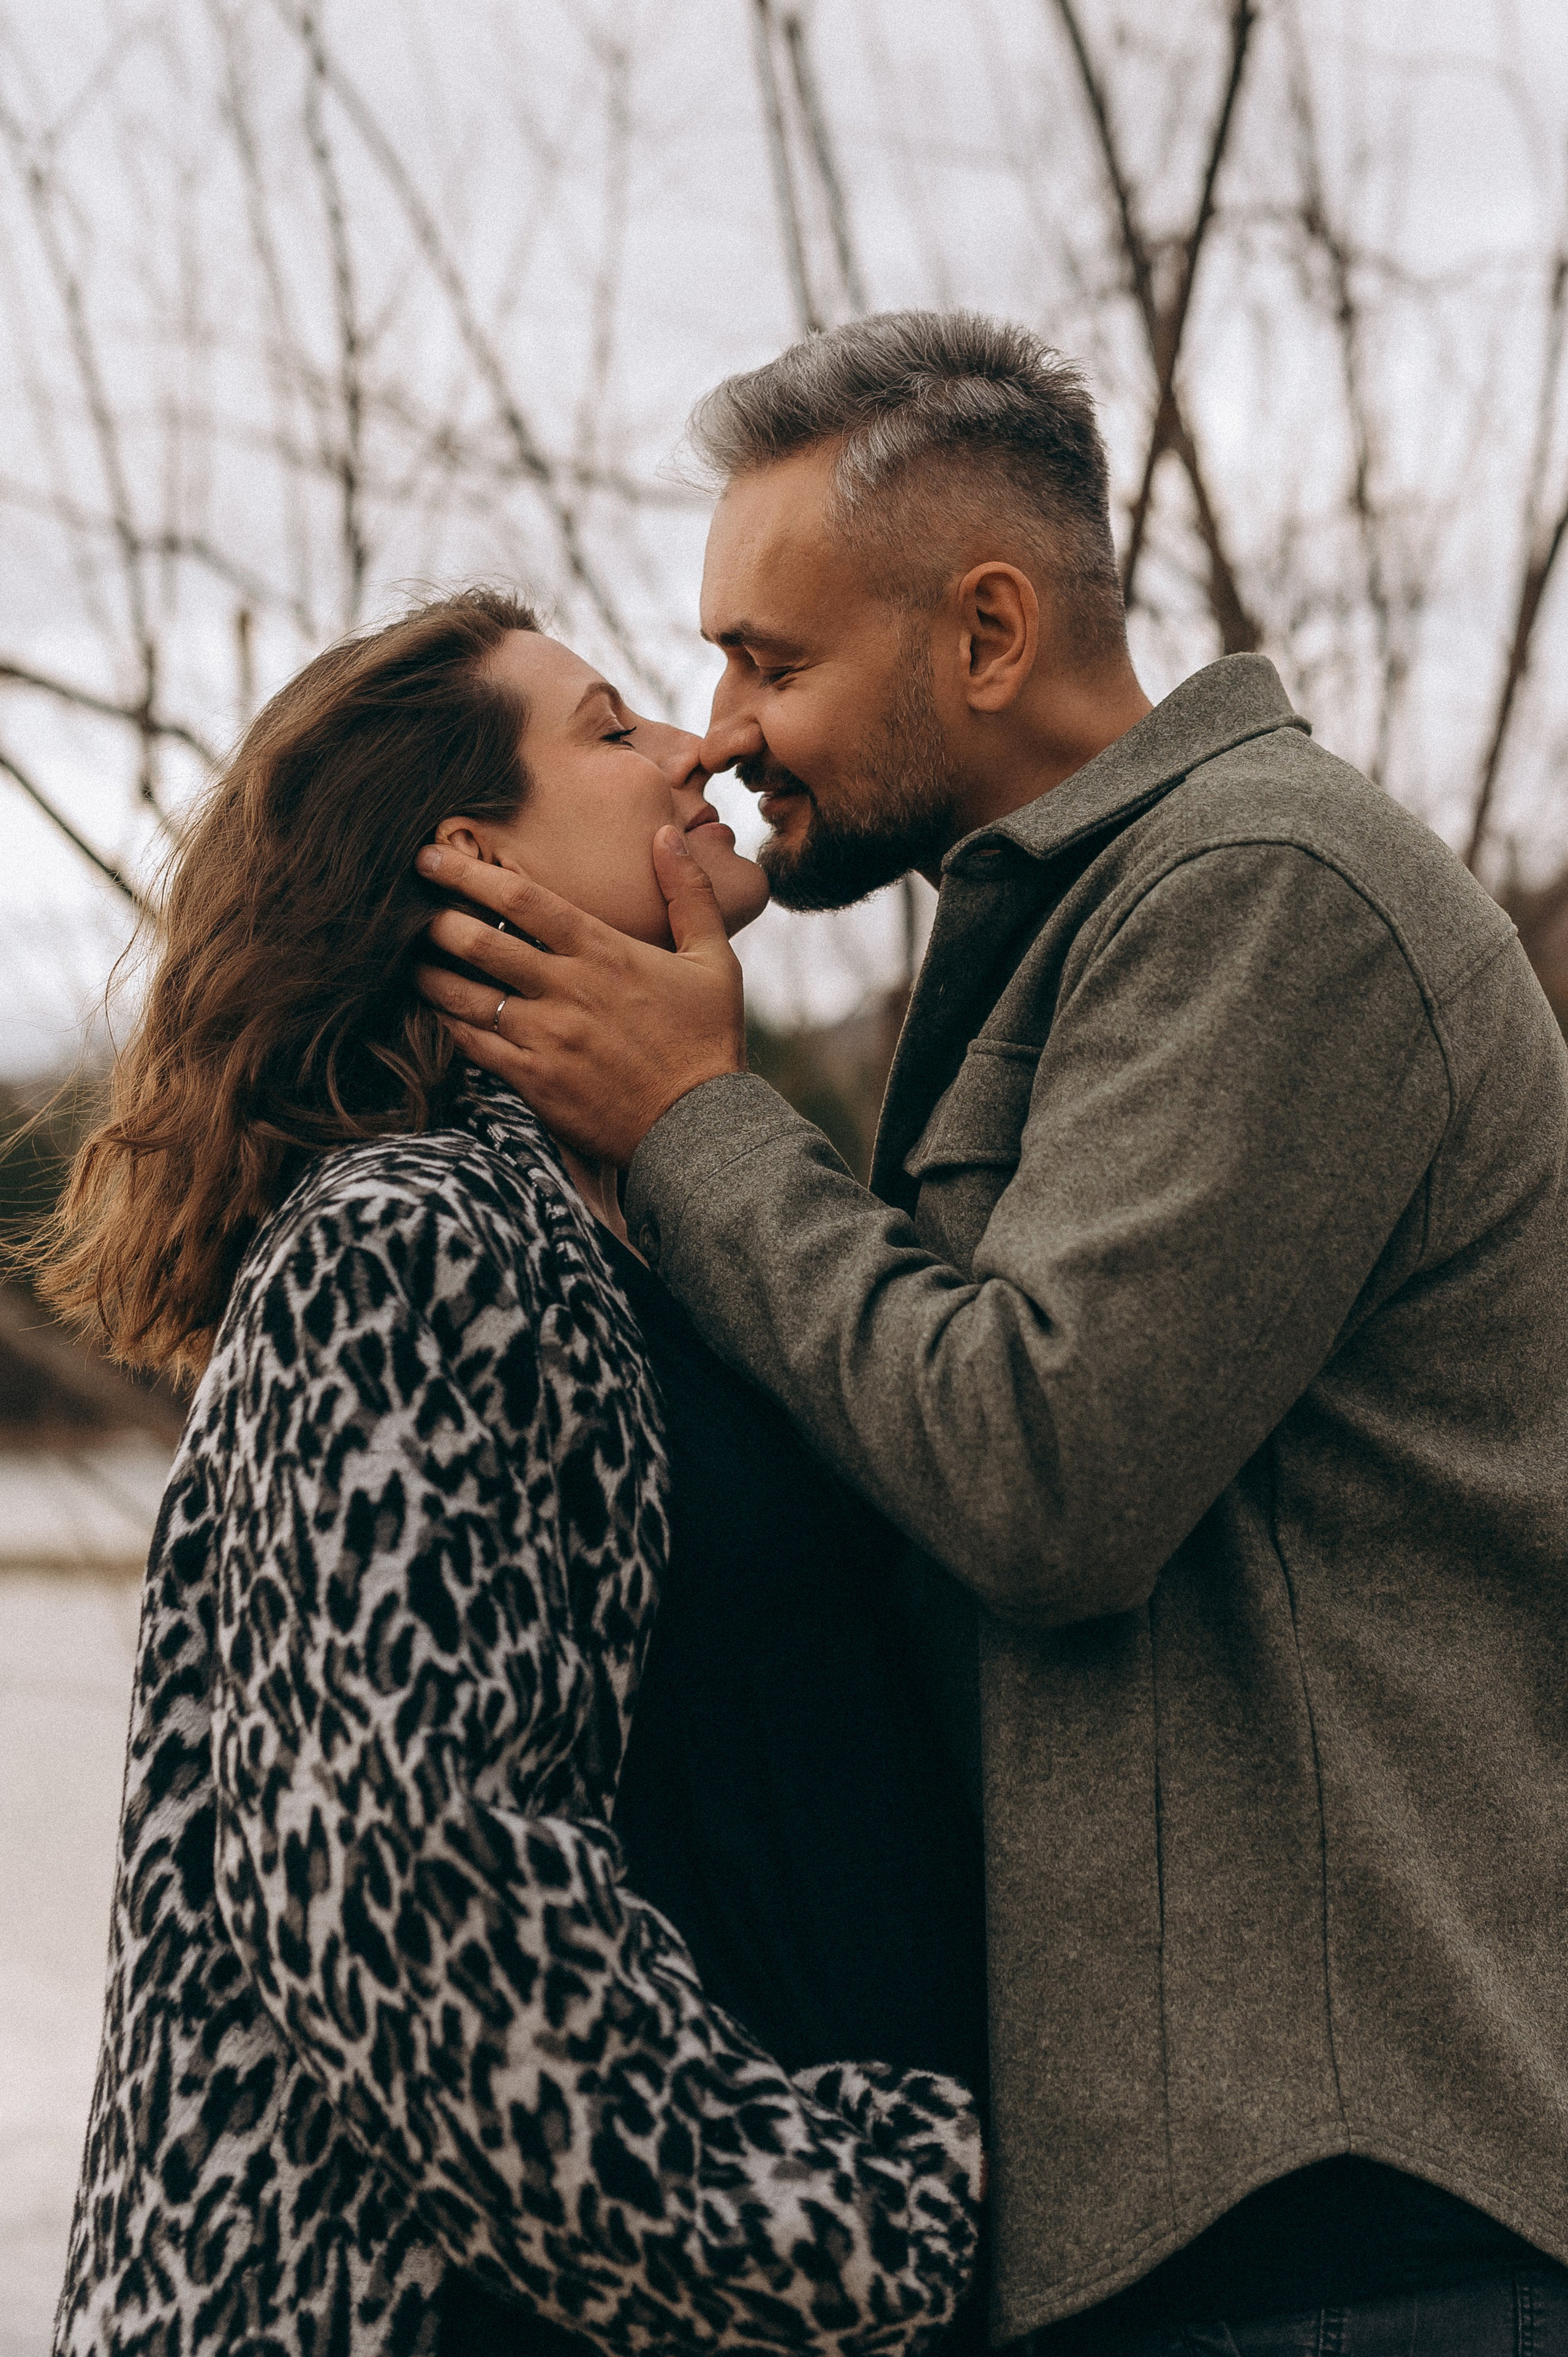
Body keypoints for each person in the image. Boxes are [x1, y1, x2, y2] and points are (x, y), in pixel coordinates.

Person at [417, 314, 1568, 2357]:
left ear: (987, 630)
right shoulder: (1068, 925)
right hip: (1189, 2234)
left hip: (1340, 2228)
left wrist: (692, 1123)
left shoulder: (1272, 896)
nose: (725, 727)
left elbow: (1044, 1474)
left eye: (773, 660)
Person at [40, 588, 983, 2357]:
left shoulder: (663, 1252)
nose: (698, 746)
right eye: (617, 729)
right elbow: (396, 1898)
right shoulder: (401, 1247)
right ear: (473, 859)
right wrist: (840, 2229)